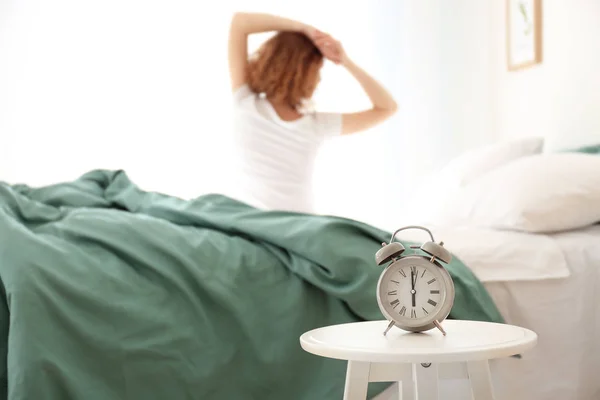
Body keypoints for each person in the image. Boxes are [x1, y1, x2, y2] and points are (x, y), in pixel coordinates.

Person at [228, 12, 397, 213]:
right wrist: (344, 61)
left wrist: (301, 28)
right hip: (300, 227)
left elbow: (240, 22)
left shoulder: (245, 103)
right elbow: (386, 107)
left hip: (253, 224)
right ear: (308, 74)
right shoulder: (316, 125)